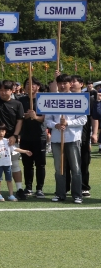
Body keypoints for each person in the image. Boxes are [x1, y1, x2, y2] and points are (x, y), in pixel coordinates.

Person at [45, 75, 87, 203]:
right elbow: (47, 120)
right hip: (57, 139)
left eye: (65, 83)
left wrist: (67, 122)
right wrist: (56, 125)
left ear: (70, 84)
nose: (63, 85)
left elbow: (83, 119)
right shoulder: (52, 99)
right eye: (60, 83)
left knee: (76, 168)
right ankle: (60, 193)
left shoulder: (78, 99)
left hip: (73, 138)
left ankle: (77, 195)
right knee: (59, 168)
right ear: (57, 84)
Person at [17, 77, 48, 198]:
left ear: (38, 86)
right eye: (27, 84)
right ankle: (28, 187)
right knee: (27, 164)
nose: (30, 86)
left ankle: (39, 188)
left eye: (33, 84)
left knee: (40, 164)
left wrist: (35, 117)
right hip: (25, 136)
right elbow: (18, 117)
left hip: (40, 136)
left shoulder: (43, 99)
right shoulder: (21, 100)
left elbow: (45, 118)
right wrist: (25, 116)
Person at [0, 123, 31, 202]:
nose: (1, 133)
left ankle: (11, 195)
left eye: (3, 131)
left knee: (9, 180)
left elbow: (14, 149)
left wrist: (25, 151)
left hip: (7, 164)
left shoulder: (7, 141)